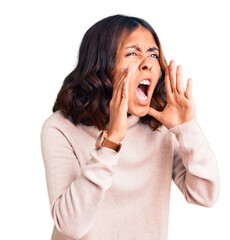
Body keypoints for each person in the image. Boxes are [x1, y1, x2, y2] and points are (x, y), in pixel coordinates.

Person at [40, 14, 220, 240]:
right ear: (102, 64)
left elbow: (205, 195)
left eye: (153, 54)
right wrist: (111, 142)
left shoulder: (160, 128)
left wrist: (187, 129)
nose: (147, 63)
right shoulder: (60, 128)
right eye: (132, 53)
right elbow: (72, 226)